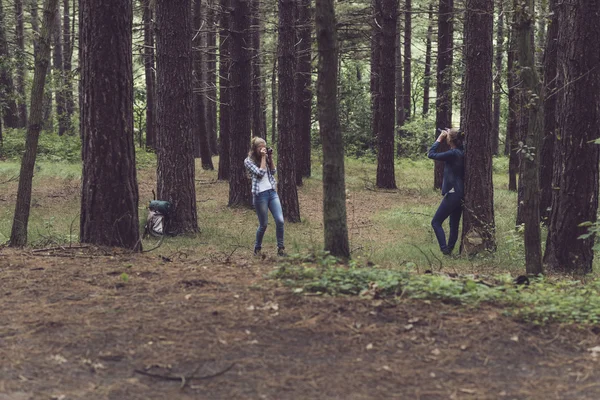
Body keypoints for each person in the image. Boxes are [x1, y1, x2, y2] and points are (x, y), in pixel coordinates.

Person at [244, 137, 286, 257]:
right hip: (260, 195)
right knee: (264, 224)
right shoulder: (248, 161)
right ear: (255, 148)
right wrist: (263, 157)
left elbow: (273, 172)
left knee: (280, 220)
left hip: (272, 192)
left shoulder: (265, 157)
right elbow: (261, 173)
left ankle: (281, 248)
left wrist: (270, 158)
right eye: (260, 147)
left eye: (264, 146)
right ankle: (257, 248)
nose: (263, 149)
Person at [427, 128, 465, 255]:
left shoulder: (453, 153)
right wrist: (452, 133)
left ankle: (445, 250)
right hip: (461, 192)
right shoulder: (461, 151)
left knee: (436, 222)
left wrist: (440, 138)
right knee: (453, 224)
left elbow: (431, 154)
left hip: (453, 192)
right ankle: (449, 250)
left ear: (450, 139)